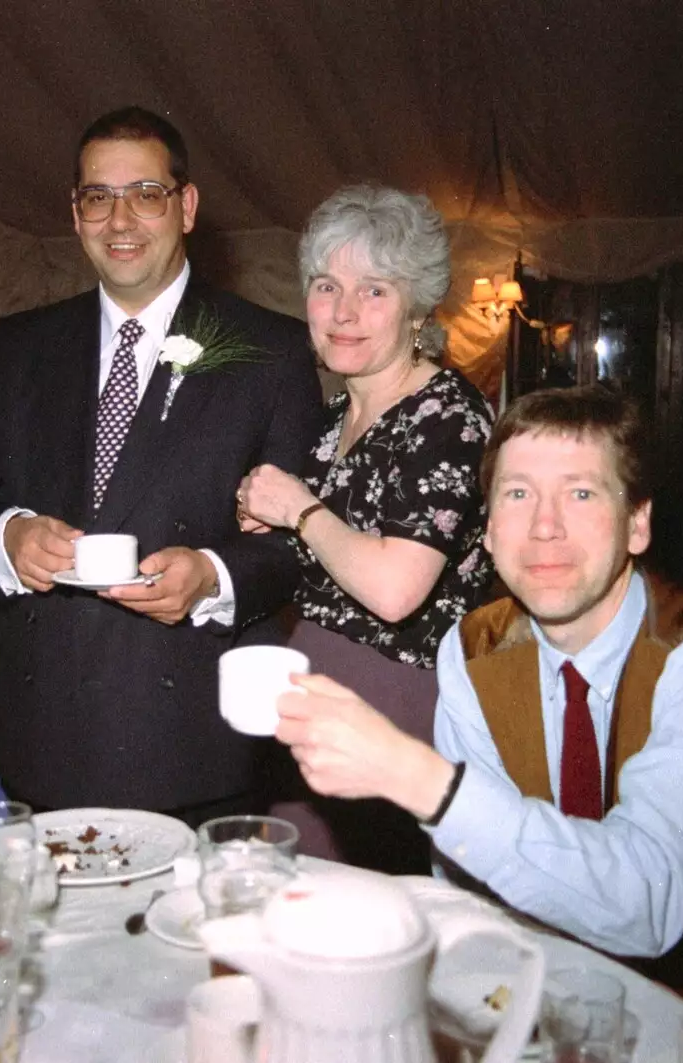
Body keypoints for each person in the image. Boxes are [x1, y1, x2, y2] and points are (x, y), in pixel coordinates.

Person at [274, 386, 683, 1004]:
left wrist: (415, 776)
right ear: (486, 531)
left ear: (638, 523)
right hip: (530, 990)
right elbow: (469, 885)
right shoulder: (473, 649)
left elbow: (650, 903)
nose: (545, 527)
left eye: (581, 492)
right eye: (517, 494)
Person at [0, 107, 322, 822]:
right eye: (97, 197)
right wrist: (10, 537)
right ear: (75, 211)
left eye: (144, 194)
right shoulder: (22, 346)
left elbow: (301, 543)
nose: (120, 220)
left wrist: (212, 575)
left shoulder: (269, 349)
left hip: (193, 740)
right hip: (45, 732)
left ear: (185, 206)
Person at [236, 185, 493, 873]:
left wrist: (300, 511)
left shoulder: (449, 417)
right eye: (327, 286)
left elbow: (394, 589)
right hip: (310, 683)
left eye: (374, 291)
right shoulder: (325, 423)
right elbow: (317, 553)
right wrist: (264, 516)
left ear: (417, 308)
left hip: (398, 700)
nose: (344, 312)